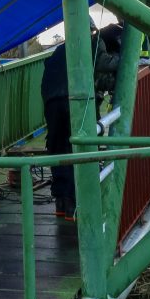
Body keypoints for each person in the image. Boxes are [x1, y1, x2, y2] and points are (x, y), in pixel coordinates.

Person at [40, 23, 122, 220]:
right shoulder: (93, 42)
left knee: (58, 148)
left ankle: (62, 201)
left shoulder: (60, 49)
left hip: (51, 100)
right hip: (76, 100)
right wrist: (126, 61)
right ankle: (78, 204)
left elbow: (96, 76)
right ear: (92, 31)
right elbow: (104, 63)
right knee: (83, 147)